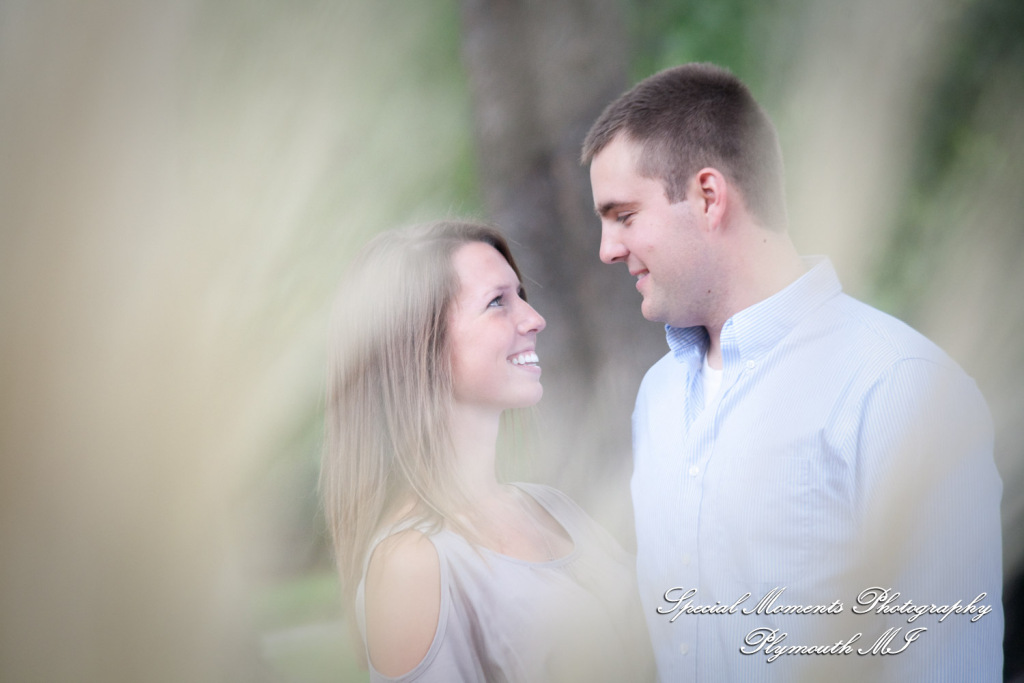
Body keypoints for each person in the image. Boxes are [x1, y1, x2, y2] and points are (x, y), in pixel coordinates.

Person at [581, 63, 1003, 682]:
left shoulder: (900, 387)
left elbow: (947, 664)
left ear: (707, 196)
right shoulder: (658, 398)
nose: (607, 249)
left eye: (623, 215)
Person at [320, 220, 655, 682]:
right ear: (418, 345)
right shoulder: (412, 564)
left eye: (521, 294)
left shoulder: (551, 506)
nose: (534, 318)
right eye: (497, 302)